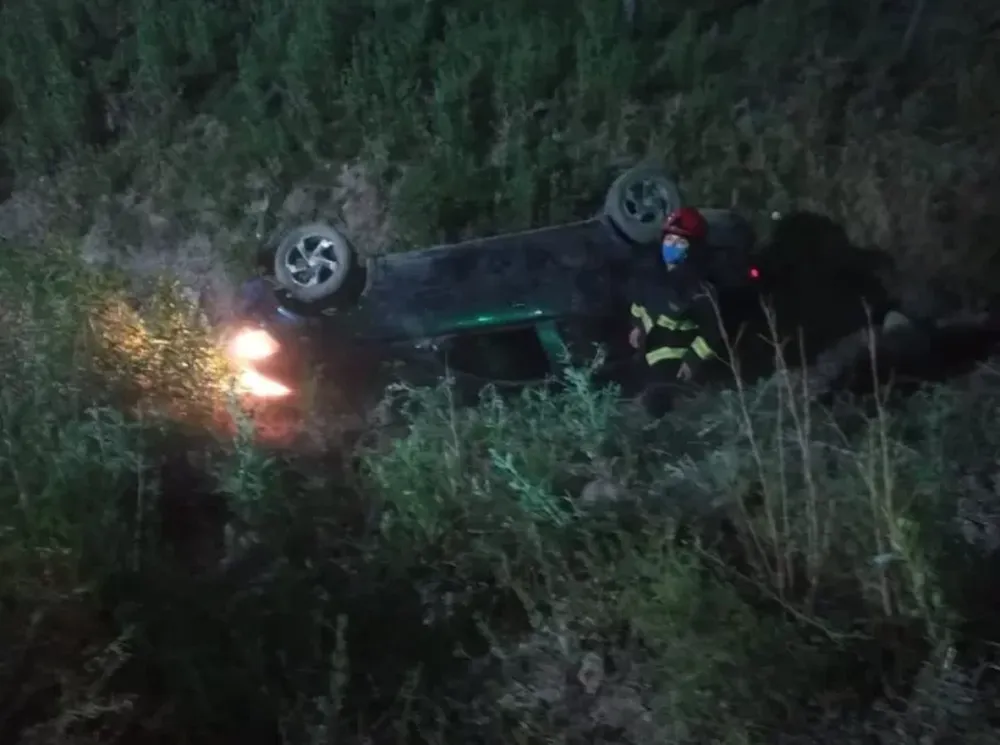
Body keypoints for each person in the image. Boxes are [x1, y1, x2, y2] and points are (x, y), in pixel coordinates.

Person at [628, 207, 722, 417]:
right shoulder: (651, 274)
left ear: (693, 249)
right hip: (646, 357)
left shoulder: (699, 291)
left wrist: (691, 361)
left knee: (660, 414)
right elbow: (639, 304)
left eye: (681, 243)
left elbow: (711, 333)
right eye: (669, 239)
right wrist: (636, 326)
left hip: (675, 367)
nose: (672, 246)